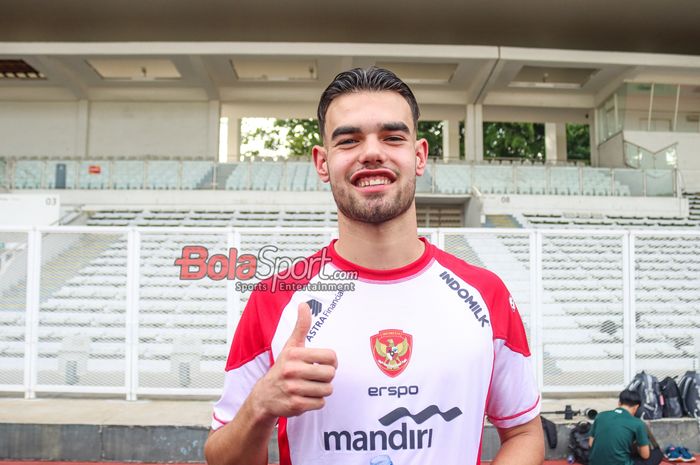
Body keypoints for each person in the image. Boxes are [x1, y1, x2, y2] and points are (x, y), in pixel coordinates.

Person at [204, 67, 544, 465]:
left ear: (418, 156)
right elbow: (221, 457)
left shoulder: (487, 295)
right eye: (348, 140)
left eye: (392, 137)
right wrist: (258, 407)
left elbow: (523, 432)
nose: (371, 152)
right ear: (322, 163)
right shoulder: (274, 299)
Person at [588, 389, 657, 465]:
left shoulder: (600, 415)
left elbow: (591, 443)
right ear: (636, 407)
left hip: (594, 462)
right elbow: (645, 455)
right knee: (656, 454)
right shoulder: (638, 423)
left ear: (619, 403)